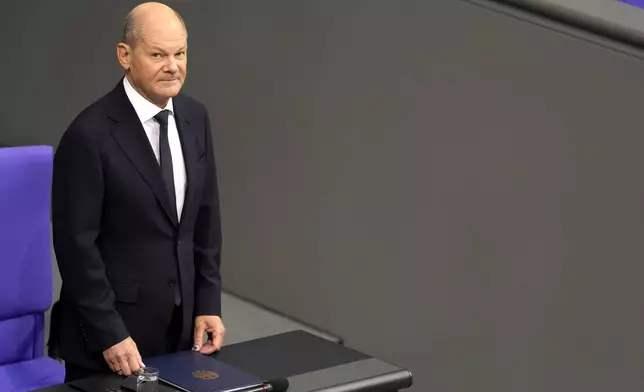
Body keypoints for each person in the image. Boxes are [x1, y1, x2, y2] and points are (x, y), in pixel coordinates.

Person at [48, 2, 225, 382]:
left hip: (182, 335)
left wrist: (208, 302)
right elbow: (76, 248)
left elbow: (206, 220)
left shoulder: (196, 118)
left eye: (180, 53)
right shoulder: (88, 136)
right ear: (124, 56)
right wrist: (109, 332)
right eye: (158, 54)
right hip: (111, 344)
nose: (173, 66)